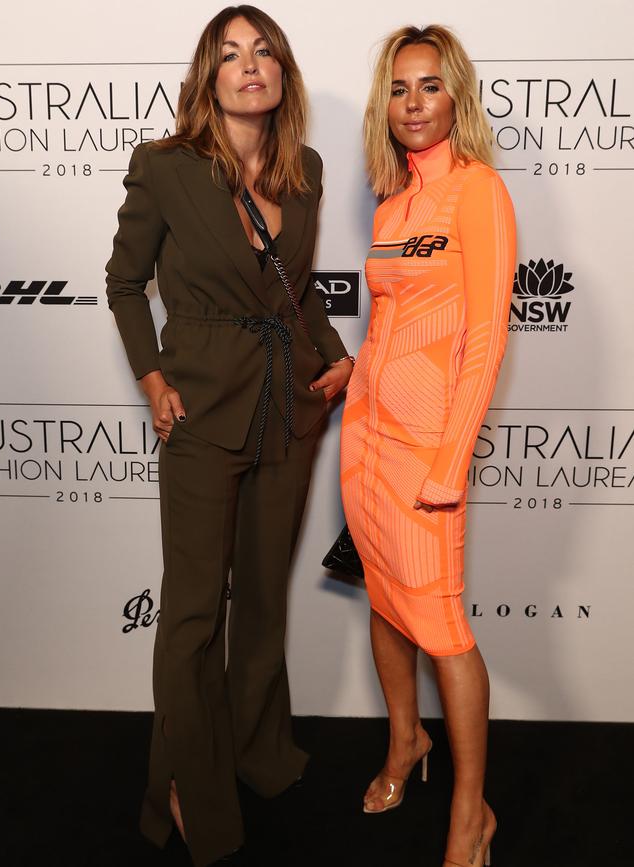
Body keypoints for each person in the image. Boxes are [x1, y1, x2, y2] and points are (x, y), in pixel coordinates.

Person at [105, 6, 352, 865]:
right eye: (231, 54)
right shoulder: (166, 168)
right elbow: (125, 282)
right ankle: (184, 787)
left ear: (281, 72)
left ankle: (257, 750)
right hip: (203, 408)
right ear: (208, 75)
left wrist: (336, 354)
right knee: (193, 613)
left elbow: (295, 290)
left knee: (265, 604)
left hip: (287, 405)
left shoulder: (307, 170)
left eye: (265, 52)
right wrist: (152, 376)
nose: (251, 66)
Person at [340, 24, 516, 867]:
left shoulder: (477, 192)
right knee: (384, 599)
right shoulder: (391, 202)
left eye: (431, 86)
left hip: (427, 452)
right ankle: (406, 742)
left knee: (442, 625)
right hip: (366, 440)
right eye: (402, 89)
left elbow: (484, 337)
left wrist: (451, 460)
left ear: (457, 97)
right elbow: (393, 323)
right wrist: (354, 377)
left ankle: (470, 814)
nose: (415, 104)